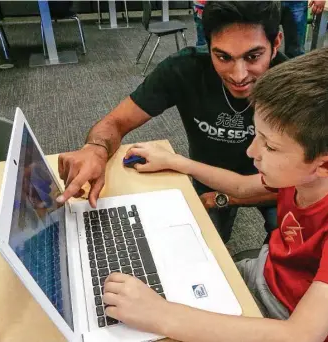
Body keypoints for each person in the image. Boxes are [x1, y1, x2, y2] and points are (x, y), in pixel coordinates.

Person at [108, 46, 328, 341]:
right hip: (262, 273)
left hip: (282, 318)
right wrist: (176, 162)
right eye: (258, 136)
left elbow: (300, 335)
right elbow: (241, 187)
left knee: (155, 322)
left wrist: (161, 315)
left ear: (326, 166)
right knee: (156, 274)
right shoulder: (301, 175)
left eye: (270, 146)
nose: (252, 151)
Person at [57, 1, 288, 243]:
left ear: (276, 43)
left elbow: (306, 182)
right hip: (206, 179)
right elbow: (115, 122)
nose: (239, 75)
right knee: (201, 246)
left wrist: (228, 198)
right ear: (208, 46)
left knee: (289, 250)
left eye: (253, 56)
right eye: (223, 57)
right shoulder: (184, 69)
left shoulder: (296, 86)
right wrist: (96, 149)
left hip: (280, 184)